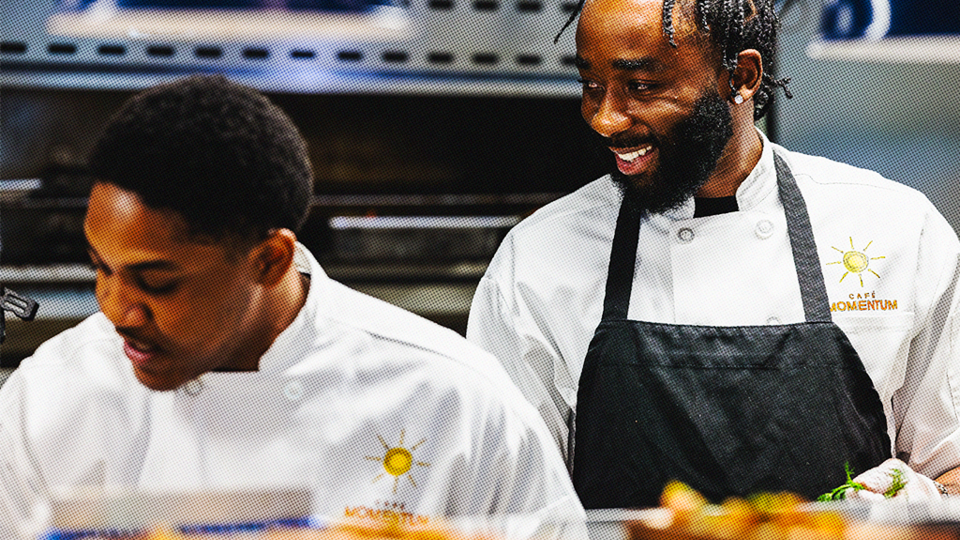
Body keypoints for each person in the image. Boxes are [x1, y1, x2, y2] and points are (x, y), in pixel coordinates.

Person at [0, 75, 582, 536]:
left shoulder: (455, 400)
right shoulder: (48, 400)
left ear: (269, 261)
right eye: (101, 269)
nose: (118, 310)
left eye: (157, 282)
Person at [467, 0, 960, 508]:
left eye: (641, 86)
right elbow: (501, 502)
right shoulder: (536, 262)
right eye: (591, 85)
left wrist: (920, 501)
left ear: (741, 77)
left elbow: (951, 465)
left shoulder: (898, 230)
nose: (604, 119)